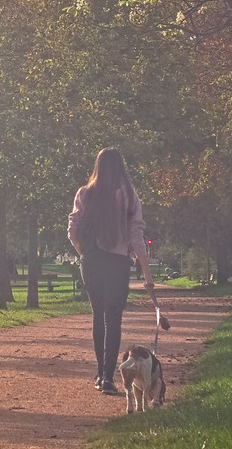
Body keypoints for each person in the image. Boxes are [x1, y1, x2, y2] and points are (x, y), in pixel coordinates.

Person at [68, 147, 154, 395]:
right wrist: (147, 274)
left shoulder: (85, 194)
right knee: (113, 318)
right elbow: (137, 236)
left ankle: (100, 373)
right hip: (117, 264)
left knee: (98, 316)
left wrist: (82, 253)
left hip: (92, 261)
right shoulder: (128, 196)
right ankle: (108, 377)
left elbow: (73, 229)